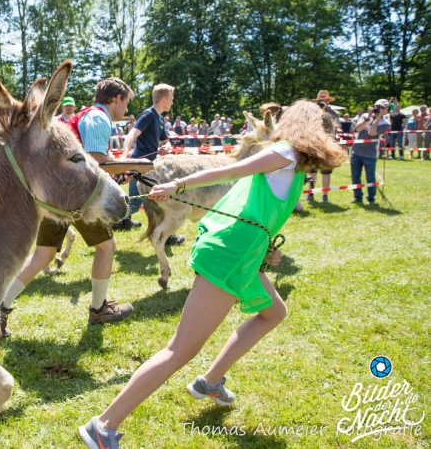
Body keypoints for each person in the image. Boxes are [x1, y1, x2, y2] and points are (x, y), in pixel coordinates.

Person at [78, 100, 344, 449]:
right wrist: (178, 185)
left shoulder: (291, 164)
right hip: (229, 255)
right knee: (179, 350)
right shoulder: (285, 154)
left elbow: (251, 206)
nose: (332, 139)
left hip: (241, 252)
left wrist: (266, 248)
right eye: (328, 131)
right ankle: (102, 426)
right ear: (314, 130)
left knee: (273, 312)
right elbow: (231, 172)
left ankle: (211, 381)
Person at [0, 77, 135, 336]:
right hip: (78, 193)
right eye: (126, 102)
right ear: (116, 99)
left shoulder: (85, 115)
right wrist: (135, 165)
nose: (127, 109)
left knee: (43, 254)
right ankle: (99, 309)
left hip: (57, 192)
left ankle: (0, 309)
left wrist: (119, 172)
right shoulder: (99, 118)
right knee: (106, 247)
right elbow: (95, 161)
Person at [118, 84, 174, 232]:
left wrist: (166, 148)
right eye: (171, 99)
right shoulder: (147, 115)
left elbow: (166, 142)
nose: (173, 102)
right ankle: (116, 220)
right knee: (135, 204)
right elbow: (131, 135)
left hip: (153, 167)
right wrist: (124, 157)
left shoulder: (160, 119)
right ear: (164, 100)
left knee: (157, 200)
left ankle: (164, 233)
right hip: (139, 166)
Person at [350, 99, 390, 204]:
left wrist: (377, 118)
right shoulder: (365, 116)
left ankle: (370, 198)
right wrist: (369, 117)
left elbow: (372, 133)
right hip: (356, 151)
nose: (378, 109)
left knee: (370, 177)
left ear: (386, 109)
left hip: (370, 154)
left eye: (381, 108)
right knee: (355, 176)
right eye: (377, 107)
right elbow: (358, 129)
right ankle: (358, 197)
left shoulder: (385, 123)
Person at [306, 90, 339, 203]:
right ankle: (311, 193)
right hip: (314, 145)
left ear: (328, 101)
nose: (323, 102)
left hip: (327, 146)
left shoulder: (333, 114)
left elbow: (331, 129)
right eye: (320, 100)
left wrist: (323, 111)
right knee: (312, 171)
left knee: (326, 172)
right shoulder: (311, 113)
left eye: (325, 100)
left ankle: (325, 196)